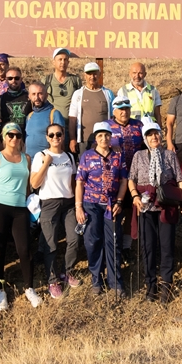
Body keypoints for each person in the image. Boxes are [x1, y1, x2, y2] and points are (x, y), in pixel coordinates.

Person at [128, 122, 182, 302]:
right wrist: (134, 196)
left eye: (157, 134)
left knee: (167, 246)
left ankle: (166, 286)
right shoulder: (138, 156)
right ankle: (150, 286)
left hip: (166, 206)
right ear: (145, 138)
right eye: (150, 134)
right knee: (148, 248)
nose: (154, 137)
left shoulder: (169, 155)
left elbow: (180, 179)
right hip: (146, 207)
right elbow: (131, 179)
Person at [0, 123, 40, 310]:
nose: (14, 138)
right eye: (10, 135)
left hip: (19, 208)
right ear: (4, 137)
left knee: (24, 249)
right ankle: (0, 290)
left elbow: (28, 187)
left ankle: (29, 287)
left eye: (17, 135)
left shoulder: (27, 158)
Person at [75, 122, 128, 295]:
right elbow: (80, 182)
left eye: (106, 135)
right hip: (91, 204)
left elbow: (123, 181)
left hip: (111, 206)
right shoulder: (87, 156)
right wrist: (78, 207)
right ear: (95, 138)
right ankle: (96, 279)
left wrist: (119, 202)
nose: (104, 138)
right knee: (93, 241)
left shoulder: (118, 156)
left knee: (113, 242)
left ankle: (115, 282)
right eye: (100, 135)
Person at [31, 123, 82, 298]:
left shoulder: (69, 156)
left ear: (63, 136)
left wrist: (78, 204)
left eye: (58, 134)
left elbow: (75, 183)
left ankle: (66, 272)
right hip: (49, 203)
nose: (55, 138)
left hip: (68, 203)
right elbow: (34, 183)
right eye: (51, 135)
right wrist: (46, 164)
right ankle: (52, 280)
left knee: (74, 239)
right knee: (51, 244)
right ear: (47, 138)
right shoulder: (41, 156)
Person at [108, 96, 143, 254]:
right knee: (115, 210)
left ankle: (127, 246)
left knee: (131, 211)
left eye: (127, 109)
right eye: (121, 109)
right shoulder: (106, 127)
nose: (124, 112)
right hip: (114, 177)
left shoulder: (138, 125)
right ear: (114, 110)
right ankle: (114, 245)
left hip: (135, 176)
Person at [68, 62, 113, 154]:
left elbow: (113, 118)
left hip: (104, 140)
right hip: (85, 140)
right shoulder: (78, 94)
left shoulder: (108, 93)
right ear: (85, 76)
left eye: (95, 74)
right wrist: (73, 139)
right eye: (89, 74)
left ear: (99, 74)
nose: (92, 77)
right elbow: (72, 119)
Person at [24, 82, 66, 158]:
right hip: (30, 162)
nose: (36, 97)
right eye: (33, 94)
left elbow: (61, 141)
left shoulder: (54, 114)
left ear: (46, 95)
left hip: (48, 161)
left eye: (40, 94)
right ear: (29, 96)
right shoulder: (29, 116)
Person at [43, 47, 82, 118]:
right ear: (54, 62)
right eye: (60, 59)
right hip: (52, 124)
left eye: (65, 59)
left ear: (68, 62)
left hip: (71, 123)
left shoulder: (75, 80)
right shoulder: (46, 80)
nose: (63, 62)